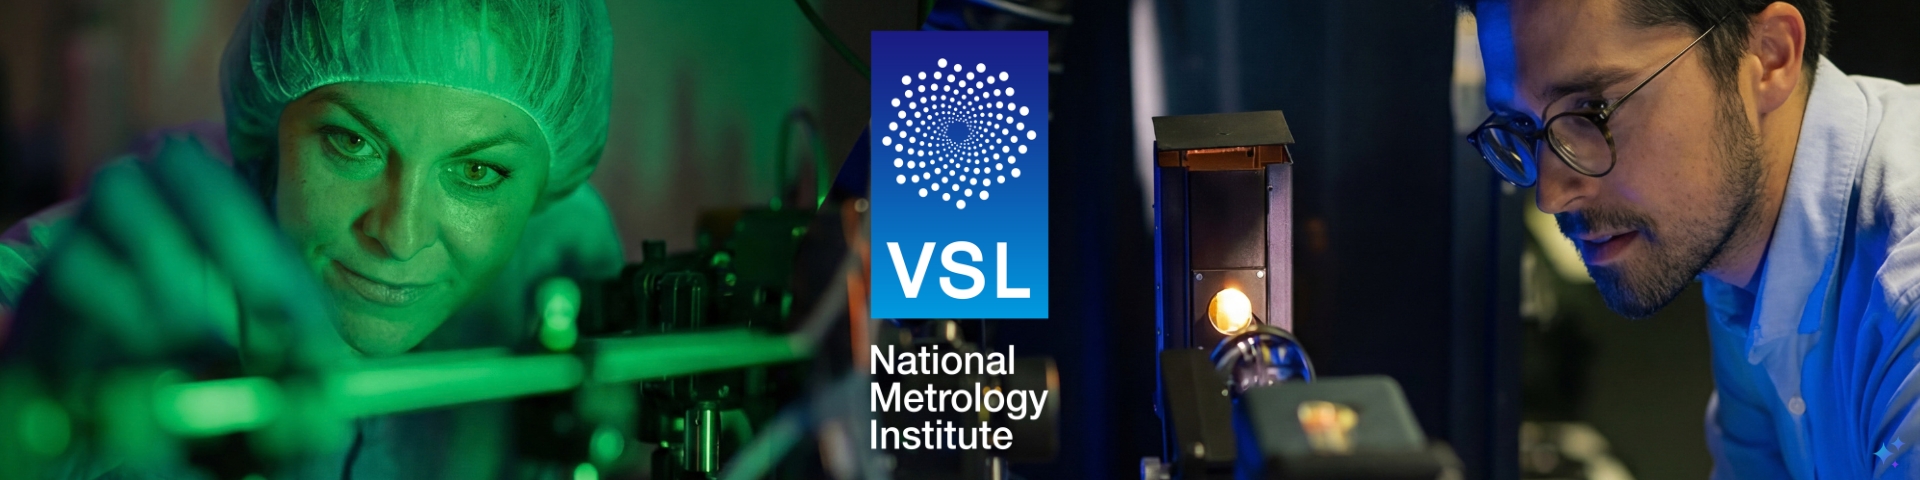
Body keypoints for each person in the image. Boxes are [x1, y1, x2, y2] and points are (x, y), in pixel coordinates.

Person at [0, 0, 622, 477]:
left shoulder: (556, 272)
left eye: (478, 172)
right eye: (351, 142)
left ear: (544, 189)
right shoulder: (90, 282)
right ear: (274, 128)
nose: (398, 236)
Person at [1461, 0, 1920, 477]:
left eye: (1592, 111)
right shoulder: (1745, 241)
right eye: (1522, 126)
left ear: (1770, 55)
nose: (1551, 195)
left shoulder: (1906, 287)